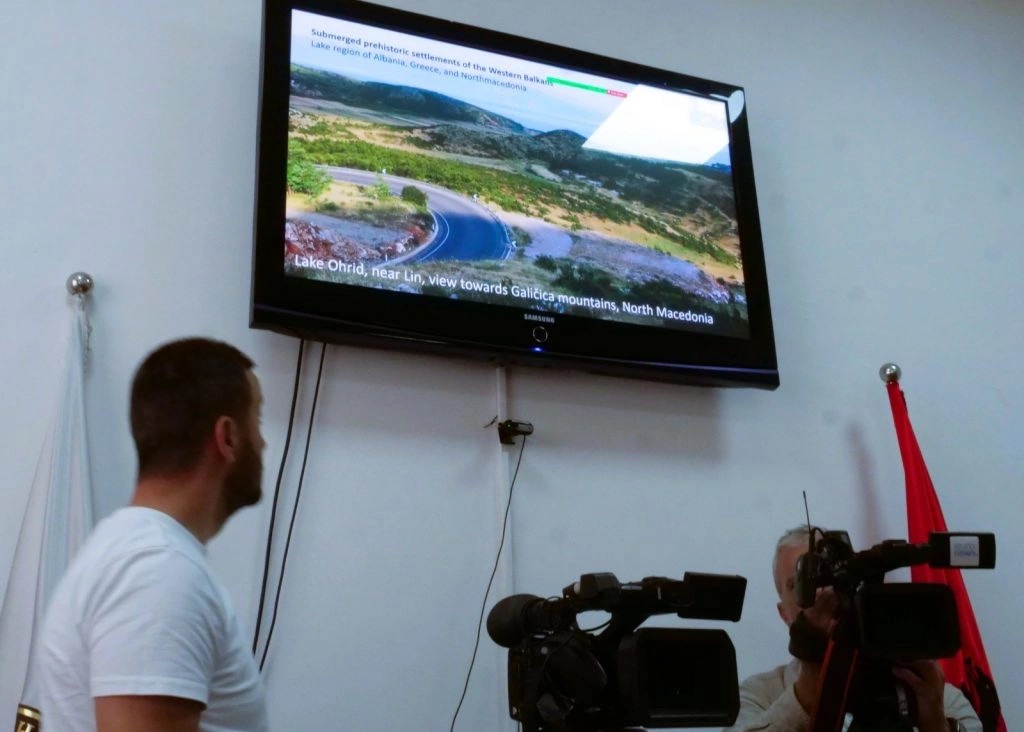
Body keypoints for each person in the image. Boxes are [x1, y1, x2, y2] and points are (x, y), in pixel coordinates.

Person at [37, 337, 270, 732]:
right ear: (228, 436)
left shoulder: (144, 557)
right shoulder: (156, 571)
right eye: (258, 420)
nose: (263, 442)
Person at [724, 526, 981, 732]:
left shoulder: (930, 691)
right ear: (785, 614)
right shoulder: (759, 694)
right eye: (802, 584)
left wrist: (936, 725)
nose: (822, 593)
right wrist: (810, 687)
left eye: (830, 578)